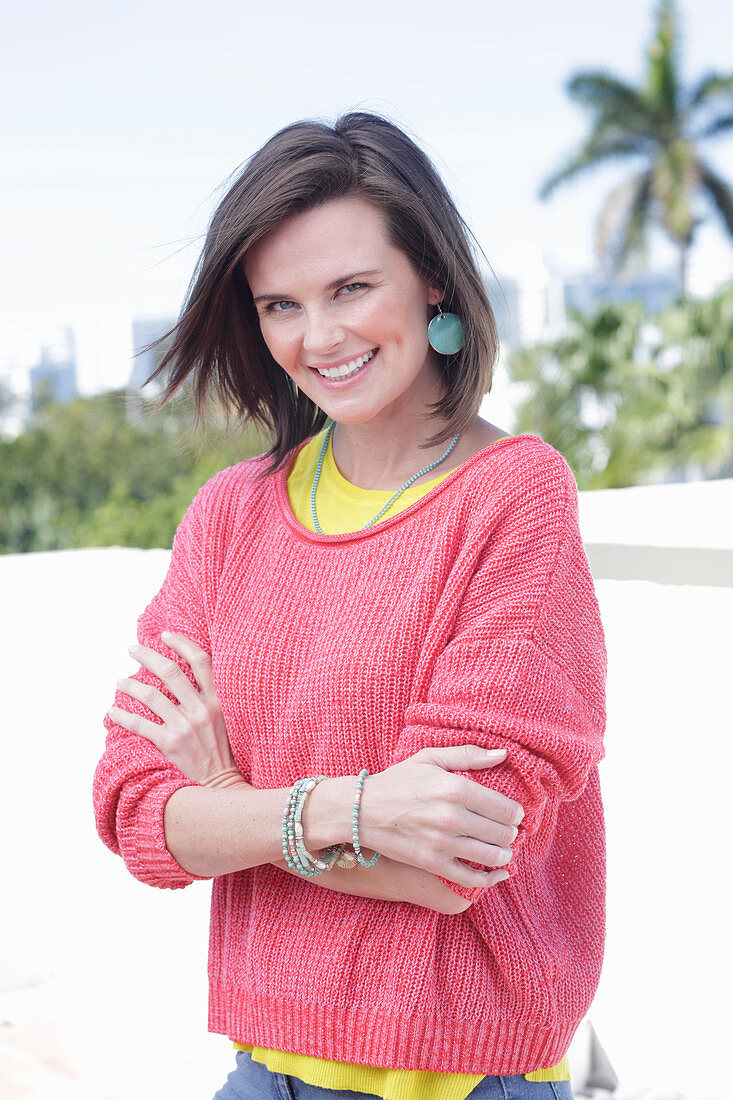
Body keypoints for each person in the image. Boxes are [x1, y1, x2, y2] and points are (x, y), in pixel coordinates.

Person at [93, 111, 607, 1100]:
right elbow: (135, 811)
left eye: (351, 289)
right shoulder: (229, 515)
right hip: (261, 1067)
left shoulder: (514, 498)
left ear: (434, 281)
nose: (317, 337)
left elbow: (452, 858)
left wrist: (231, 796)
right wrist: (351, 808)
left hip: (466, 1078)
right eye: (279, 304)